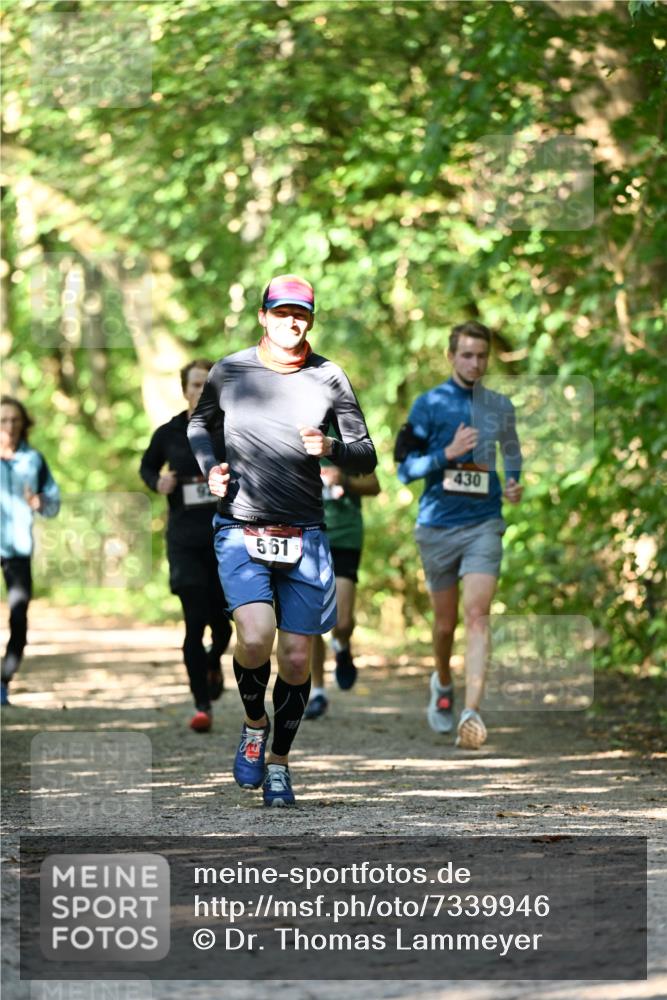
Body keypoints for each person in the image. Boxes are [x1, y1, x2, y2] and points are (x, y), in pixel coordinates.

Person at [187, 274, 377, 806]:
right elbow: (199, 426)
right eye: (282, 312)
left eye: (303, 314)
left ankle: (279, 764)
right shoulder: (231, 370)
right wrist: (211, 469)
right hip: (240, 526)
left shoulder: (329, 377)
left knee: (296, 659)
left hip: (306, 533)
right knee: (253, 638)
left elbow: (367, 454)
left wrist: (332, 445)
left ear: (311, 320)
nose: (293, 322)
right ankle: (253, 727)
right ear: (263, 316)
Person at [396, 321, 522, 749]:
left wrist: (514, 483)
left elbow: (513, 455)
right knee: (446, 624)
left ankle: (472, 711)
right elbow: (402, 469)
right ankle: (443, 681)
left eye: (481, 355)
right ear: (451, 356)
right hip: (436, 527)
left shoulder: (500, 406)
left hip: (484, 524)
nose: (474, 362)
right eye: (466, 354)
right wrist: (445, 454)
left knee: (477, 614)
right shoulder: (427, 405)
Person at [140, 361, 232, 733]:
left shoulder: (229, 429)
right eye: (195, 385)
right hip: (184, 542)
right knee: (194, 622)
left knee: (224, 629)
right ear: (185, 390)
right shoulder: (169, 432)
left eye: (208, 385)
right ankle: (201, 704)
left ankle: (213, 662)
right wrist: (157, 481)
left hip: (225, 539)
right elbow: (147, 468)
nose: (201, 391)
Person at [304, 456, 380, 719]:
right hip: (308, 535)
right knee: (313, 617)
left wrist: (344, 478)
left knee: (343, 622)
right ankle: (318, 692)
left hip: (346, 536)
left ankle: (341, 646)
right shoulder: (294, 434)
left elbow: (374, 485)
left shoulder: (348, 436)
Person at [1, 396, 60, 706]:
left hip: (17, 550)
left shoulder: (33, 460)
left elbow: (53, 501)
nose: (9, 426)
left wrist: (41, 503)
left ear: (23, 425)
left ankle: (3, 679)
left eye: (15, 420)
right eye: (3, 420)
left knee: (19, 617)